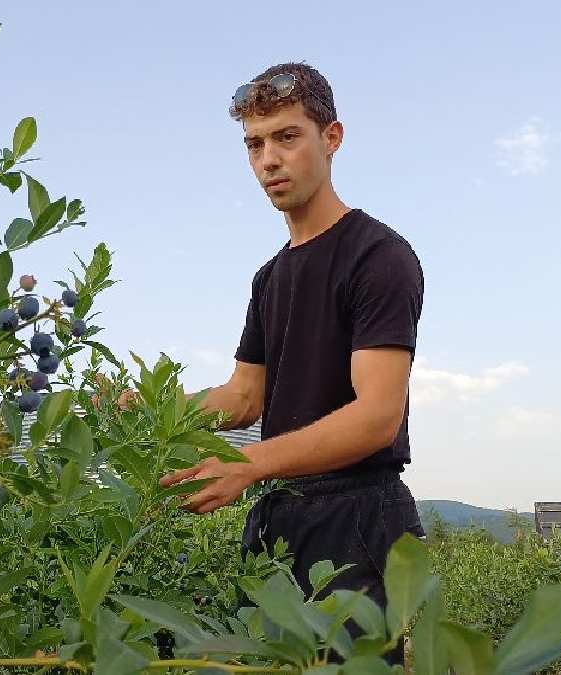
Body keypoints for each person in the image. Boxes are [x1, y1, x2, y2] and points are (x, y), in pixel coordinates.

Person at [101, 62, 426, 666]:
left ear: (332, 138)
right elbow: (245, 398)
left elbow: (377, 417)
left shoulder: (378, 256)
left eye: (287, 137)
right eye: (255, 144)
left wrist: (248, 465)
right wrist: (148, 410)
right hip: (282, 520)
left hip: (357, 517)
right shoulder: (271, 277)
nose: (268, 160)